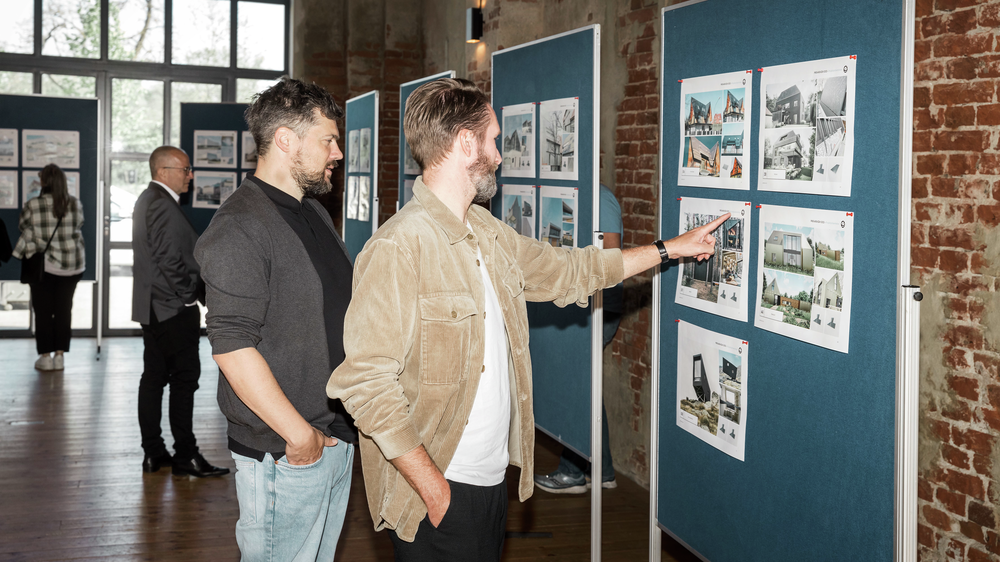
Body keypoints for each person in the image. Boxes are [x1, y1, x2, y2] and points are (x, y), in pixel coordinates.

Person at [327, 77, 728, 561]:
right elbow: (366, 385)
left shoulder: (487, 232)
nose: (499, 155)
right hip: (438, 489)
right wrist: (434, 490)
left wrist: (668, 250)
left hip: (490, 480)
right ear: (465, 142)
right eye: (493, 139)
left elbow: (572, 270)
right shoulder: (397, 248)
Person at [194, 78, 356, 560]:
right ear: (286, 140)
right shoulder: (240, 225)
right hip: (286, 452)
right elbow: (231, 345)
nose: (338, 152)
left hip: (334, 438)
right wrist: (298, 435)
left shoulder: (314, 214)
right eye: (328, 139)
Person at [132, 146, 228, 478]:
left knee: (154, 379)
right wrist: (189, 297)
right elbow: (168, 259)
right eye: (185, 170)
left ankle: (154, 452)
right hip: (171, 309)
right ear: (163, 172)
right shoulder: (160, 203)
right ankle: (185, 455)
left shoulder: (149, 199)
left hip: (155, 309)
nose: (190, 175)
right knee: (184, 381)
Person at [533, 184, 622, 494]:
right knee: (586, 383)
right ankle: (603, 471)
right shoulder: (569, 195)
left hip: (601, 306)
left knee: (576, 380)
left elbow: (611, 255)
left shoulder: (602, 199)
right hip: (580, 302)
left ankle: (572, 472)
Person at [12, 164, 85, 372]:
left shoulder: (33, 205)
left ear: (43, 182)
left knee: (43, 313)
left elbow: (23, 227)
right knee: (64, 311)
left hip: (45, 267)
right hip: (72, 266)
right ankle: (60, 356)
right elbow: (79, 224)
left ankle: (45, 357)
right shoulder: (75, 204)